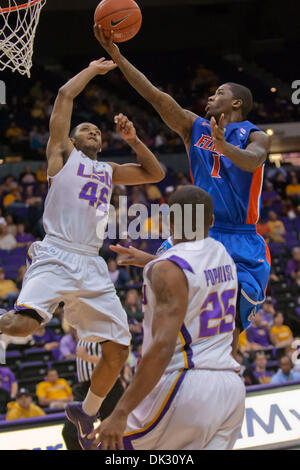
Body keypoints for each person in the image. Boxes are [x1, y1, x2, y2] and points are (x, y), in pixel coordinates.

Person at [0, 57, 164, 451]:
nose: (93, 132)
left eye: (97, 131)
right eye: (85, 129)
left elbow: (154, 173)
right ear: (71, 140)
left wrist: (134, 141)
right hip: (56, 253)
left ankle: (86, 411)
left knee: (120, 348)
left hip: (91, 263)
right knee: (24, 328)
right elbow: (63, 94)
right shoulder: (62, 157)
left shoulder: (108, 170)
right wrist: (93, 70)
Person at [95, 26, 271, 353]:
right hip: (197, 230)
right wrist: (118, 58)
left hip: (240, 236)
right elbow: (153, 94)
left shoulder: (255, 135)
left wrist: (225, 147)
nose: (210, 96)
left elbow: (254, 161)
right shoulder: (194, 127)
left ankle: (225, 385)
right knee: (171, 298)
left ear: (235, 103)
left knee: (229, 330)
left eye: (218, 92)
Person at [89, 185, 245, 450]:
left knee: (106, 447)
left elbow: (162, 347)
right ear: (211, 221)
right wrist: (150, 260)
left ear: (169, 220)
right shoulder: (223, 255)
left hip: (188, 384)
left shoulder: (166, 269)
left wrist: (121, 411)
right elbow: (193, 274)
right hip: (231, 387)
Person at [62, 338, 124, 450]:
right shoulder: (83, 330)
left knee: (114, 431)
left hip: (108, 384)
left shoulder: (106, 329)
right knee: (69, 432)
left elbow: (117, 360)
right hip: (85, 387)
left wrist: (87, 357)